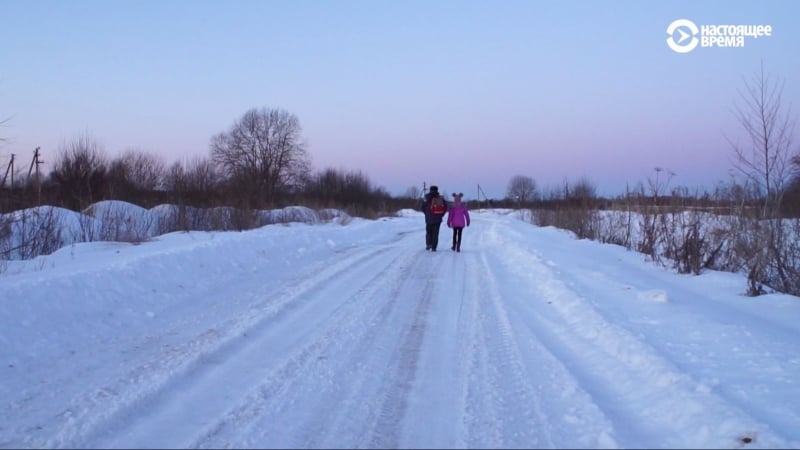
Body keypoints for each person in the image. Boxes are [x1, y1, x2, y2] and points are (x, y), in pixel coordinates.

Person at [420, 185, 447, 251]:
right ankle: (434, 247)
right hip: (438, 219)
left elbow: (422, 208)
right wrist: (441, 214)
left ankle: (428, 244)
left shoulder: (426, 198)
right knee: (435, 233)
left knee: (429, 232)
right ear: (437, 190)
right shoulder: (440, 198)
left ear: (430, 190)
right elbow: (445, 207)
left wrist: (426, 214)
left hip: (428, 219)